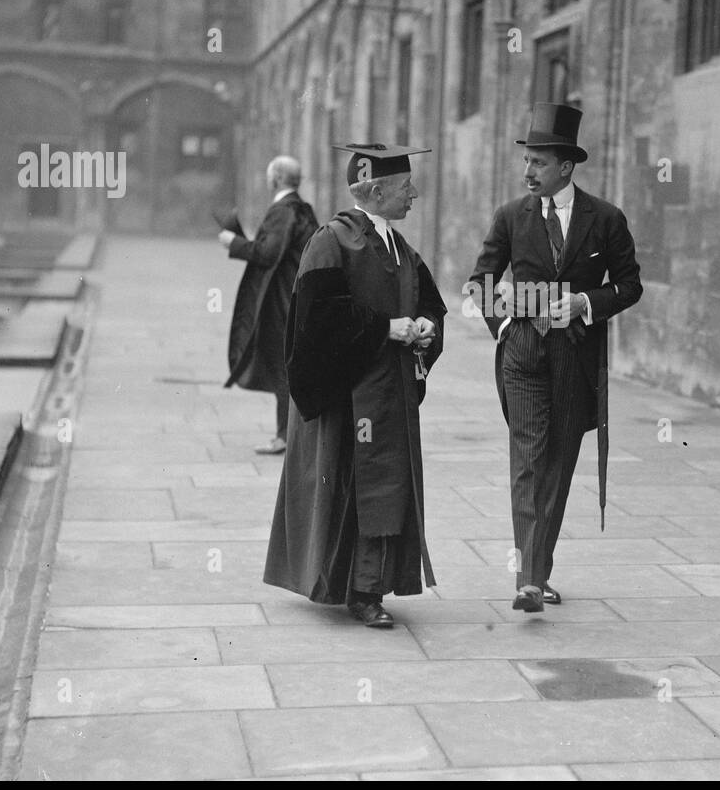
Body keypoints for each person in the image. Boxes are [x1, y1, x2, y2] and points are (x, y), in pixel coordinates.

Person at [263, 143, 446, 628]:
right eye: (406, 187)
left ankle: (369, 586)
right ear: (378, 190)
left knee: (384, 490)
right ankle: (359, 591)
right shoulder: (332, 241)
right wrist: (386, 328)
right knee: (354, 490)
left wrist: (426, 327)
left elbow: (431, 303)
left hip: (391, 393)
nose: (414, 194)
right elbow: (317, 319)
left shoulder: (399, 247)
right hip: (347, 394)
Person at [468, 103, 642, 612]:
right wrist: (503, 328)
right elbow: (480, 283)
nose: (527, 172)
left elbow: (630, 285)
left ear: (566, 167)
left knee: (558, 465)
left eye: (538, 163)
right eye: (526, 162)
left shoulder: (605, 219)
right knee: (527, 459)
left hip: (574, 357)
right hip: (522, 353)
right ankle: (527, 578)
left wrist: (587, 303)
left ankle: (537, 572)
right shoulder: (509, 217)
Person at [220, 155, 319, 453]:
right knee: (287, 367)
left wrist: (232, 242)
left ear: (275, 178)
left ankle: (285, 438)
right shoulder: (304, 209)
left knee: (282, 367)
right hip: (297, 295)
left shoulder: (281, 210)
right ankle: (290, 436)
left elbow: (267, 252)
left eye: (268, 176)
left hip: (280, 300)